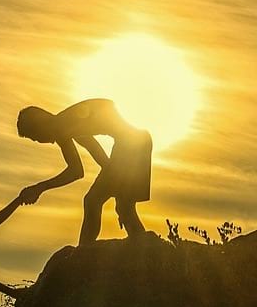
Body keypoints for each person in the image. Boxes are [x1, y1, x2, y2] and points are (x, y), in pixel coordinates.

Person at [15, 98, 154, 245]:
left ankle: (83, 252)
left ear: (40, 125)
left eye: (36, 138)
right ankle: (142, 250)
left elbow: (76, 171)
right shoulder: (65, 124)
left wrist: (39, 188)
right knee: (124, 207)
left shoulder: (62, 126)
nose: (41, 141)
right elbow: (99, 156)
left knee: (93, 201)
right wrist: (117, 188)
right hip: (138, 142)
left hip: (131, 146)